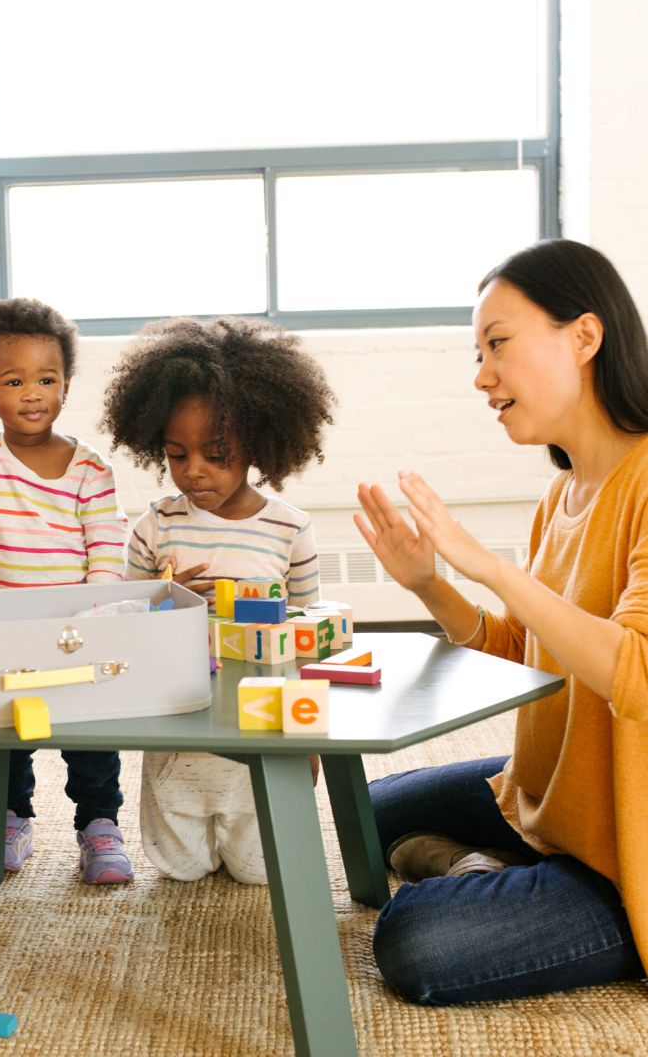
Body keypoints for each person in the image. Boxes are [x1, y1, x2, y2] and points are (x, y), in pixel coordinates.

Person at [355, 238, 648, 1004]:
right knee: (367, 811)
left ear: (584, 336)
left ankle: (546, 896)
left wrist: (491, 568)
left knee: (414, 938)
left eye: (498, 345)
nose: (482, 377)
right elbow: (529, 654)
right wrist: (430, 585)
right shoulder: (564, 496)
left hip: (628, 854)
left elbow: (635, 674)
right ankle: (508, 868)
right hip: (549, 804)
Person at [99, 315, 336, 882]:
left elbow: (309, 635)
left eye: (216, 453)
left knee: (259, 870)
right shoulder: (155, 527)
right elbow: (122, 617)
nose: (194, 472)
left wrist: (310, 737)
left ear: (257, 442)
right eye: (177, 455)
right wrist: (167, 600)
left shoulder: (288, 529)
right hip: (180, 723)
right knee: (179, 867)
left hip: (260, 722)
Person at [0, 297, 133, 884]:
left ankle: (100, 828)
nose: (32, 392)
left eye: (46, 379)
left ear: (66, 386)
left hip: (79, 631)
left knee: (90, 733)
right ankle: (9, 819)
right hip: (2, 630)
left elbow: (106, 547)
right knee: (4, 731)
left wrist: (93, 614)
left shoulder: (90, 468)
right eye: (14, 380)